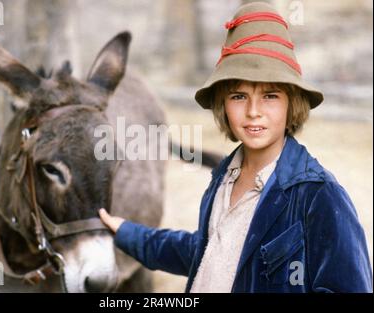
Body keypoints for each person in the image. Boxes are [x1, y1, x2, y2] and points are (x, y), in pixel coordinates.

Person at [98, 2, 372, 292]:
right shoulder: (223, 177)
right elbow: (207, 252)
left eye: (270, 96)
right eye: (239, 96)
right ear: (222, 104)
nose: (254, 111)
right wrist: (127, 233)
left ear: (292, 103)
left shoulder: (319, 195)